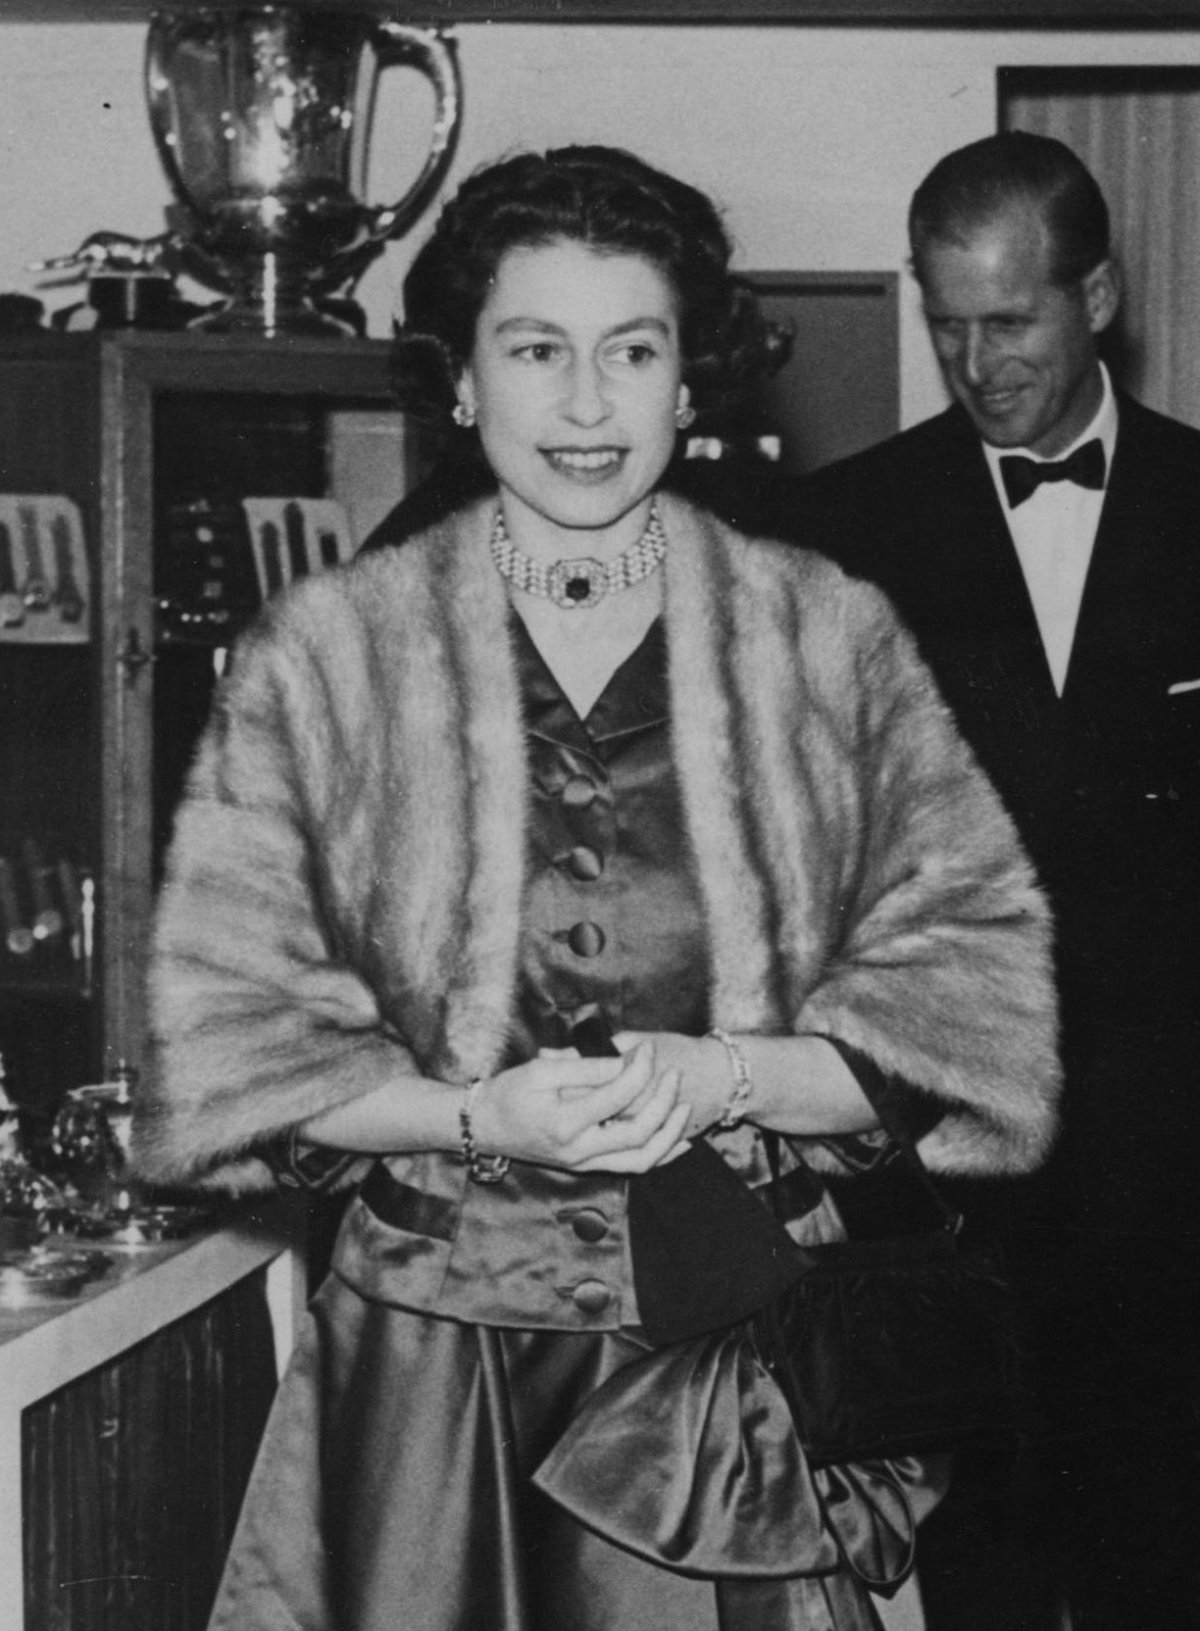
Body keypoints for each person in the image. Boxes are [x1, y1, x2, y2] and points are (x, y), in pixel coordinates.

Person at [133, 145, 1058, 1631]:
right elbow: (235, 1057)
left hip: (727, 1369)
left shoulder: (827, 648)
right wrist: (475, 1117)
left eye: (631, 352)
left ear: (689, 385)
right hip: (433, 1370)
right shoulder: (333, 662)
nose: (585, 405)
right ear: (459, 381)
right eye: (534, 350)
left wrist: (725, 1076)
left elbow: (963, 1031)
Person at [795, 131, 1200, 1631]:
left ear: (1096, 296)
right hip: (954, 1183)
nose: (977, 365)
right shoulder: (837, 535)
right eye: (946, 322)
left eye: (1011, 321)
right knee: (983, 1588)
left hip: (1179, 1184)